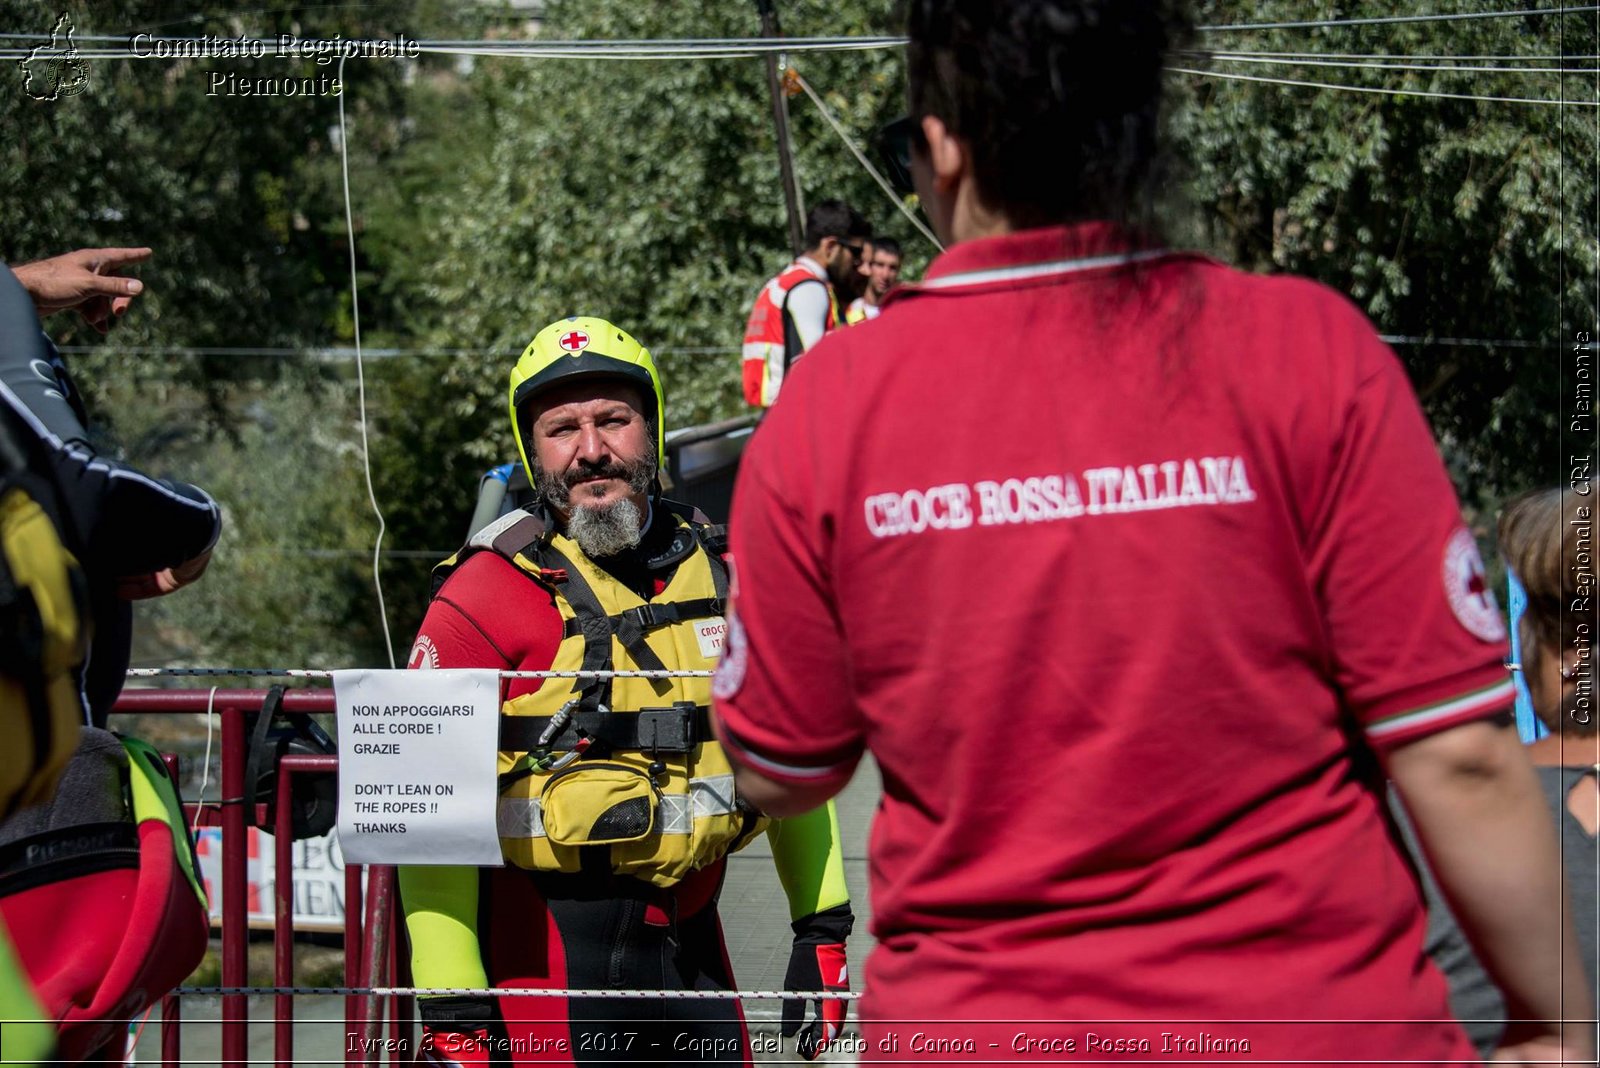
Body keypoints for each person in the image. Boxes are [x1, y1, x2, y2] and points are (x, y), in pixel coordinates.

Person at [710, 1, 1590, 1063]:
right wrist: (1558, 1028)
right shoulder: (1307, 350)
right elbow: (1458, 757)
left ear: (940, 148)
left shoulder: (828, 409)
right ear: (1143, 126)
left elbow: (777, 769)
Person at [400, 317, 854, 1067]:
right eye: (561, 429)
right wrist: (452, 1001)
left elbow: (791, 753)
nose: (590, 451)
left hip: (697, 966)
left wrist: (821, 925)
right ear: (531, 448)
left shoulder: (731, 575)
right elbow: (423, 819)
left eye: (614, 419)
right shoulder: (477, 599)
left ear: (653, 427)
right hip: (544, 973)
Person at [740, 201, 869, 408]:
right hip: (790, 414)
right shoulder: (809, 289)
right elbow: (823, 368)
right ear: (831, 247)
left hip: (772, 413)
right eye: (854, 252)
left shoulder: (785, 282)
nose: (858, 263)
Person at [844, 236, 901, 324]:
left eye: (892, 268)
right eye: (880, 265)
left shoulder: (901, 313)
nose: (885, 275)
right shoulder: (851, 310)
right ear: (868, 266)